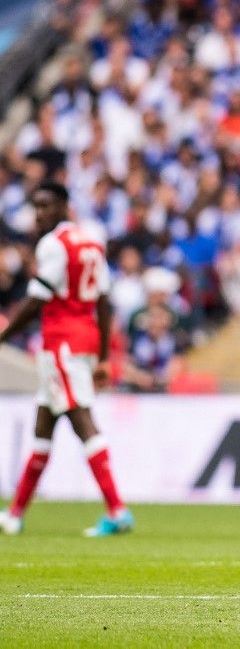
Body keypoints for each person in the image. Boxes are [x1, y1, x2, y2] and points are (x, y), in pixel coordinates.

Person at [0, 182, 134, 537]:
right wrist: (103, 355)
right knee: (43, 427)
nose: (40, 213)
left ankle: (117, 510)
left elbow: (37, 300)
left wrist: (2, 334)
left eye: (46, 206)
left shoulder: (52, 245)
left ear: (63, 206)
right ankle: (14, 514)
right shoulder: (91, 241)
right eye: (36, 206)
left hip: (61, 344)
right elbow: (103, 303)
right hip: (82, 343)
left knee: (82, 421)